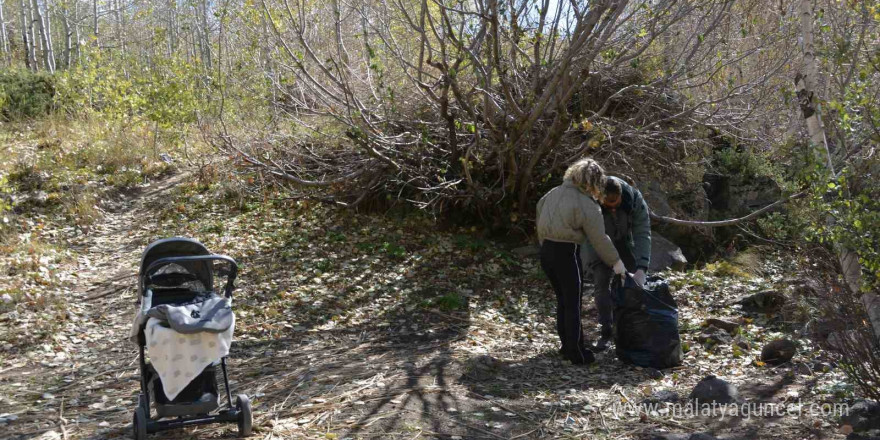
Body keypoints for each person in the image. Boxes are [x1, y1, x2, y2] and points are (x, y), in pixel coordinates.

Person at [537, 158, 627, 365]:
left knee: (563, 300)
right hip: (566, 252)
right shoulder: (586, 203)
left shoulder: (550, 194)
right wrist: (616, 262)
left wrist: (546, 244)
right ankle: (576, 352)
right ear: (594, 182)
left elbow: (539, 218)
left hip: (546, 251)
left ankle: (565, 346)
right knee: (573, 304)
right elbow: (599, 238)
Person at [581, 176, 652, 351]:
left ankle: (634, 327)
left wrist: (642, 268)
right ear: (600, 197)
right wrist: (594, 263)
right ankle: (606, 331)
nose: (612, 207)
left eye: (616, 203)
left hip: (624, 243)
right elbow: (588, 238)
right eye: (608, 204)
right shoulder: (590, 201)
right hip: (599, 245)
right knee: (601, 284)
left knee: (636, 284)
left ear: (621, 196)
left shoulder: (635, 200)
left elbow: (642, 232)